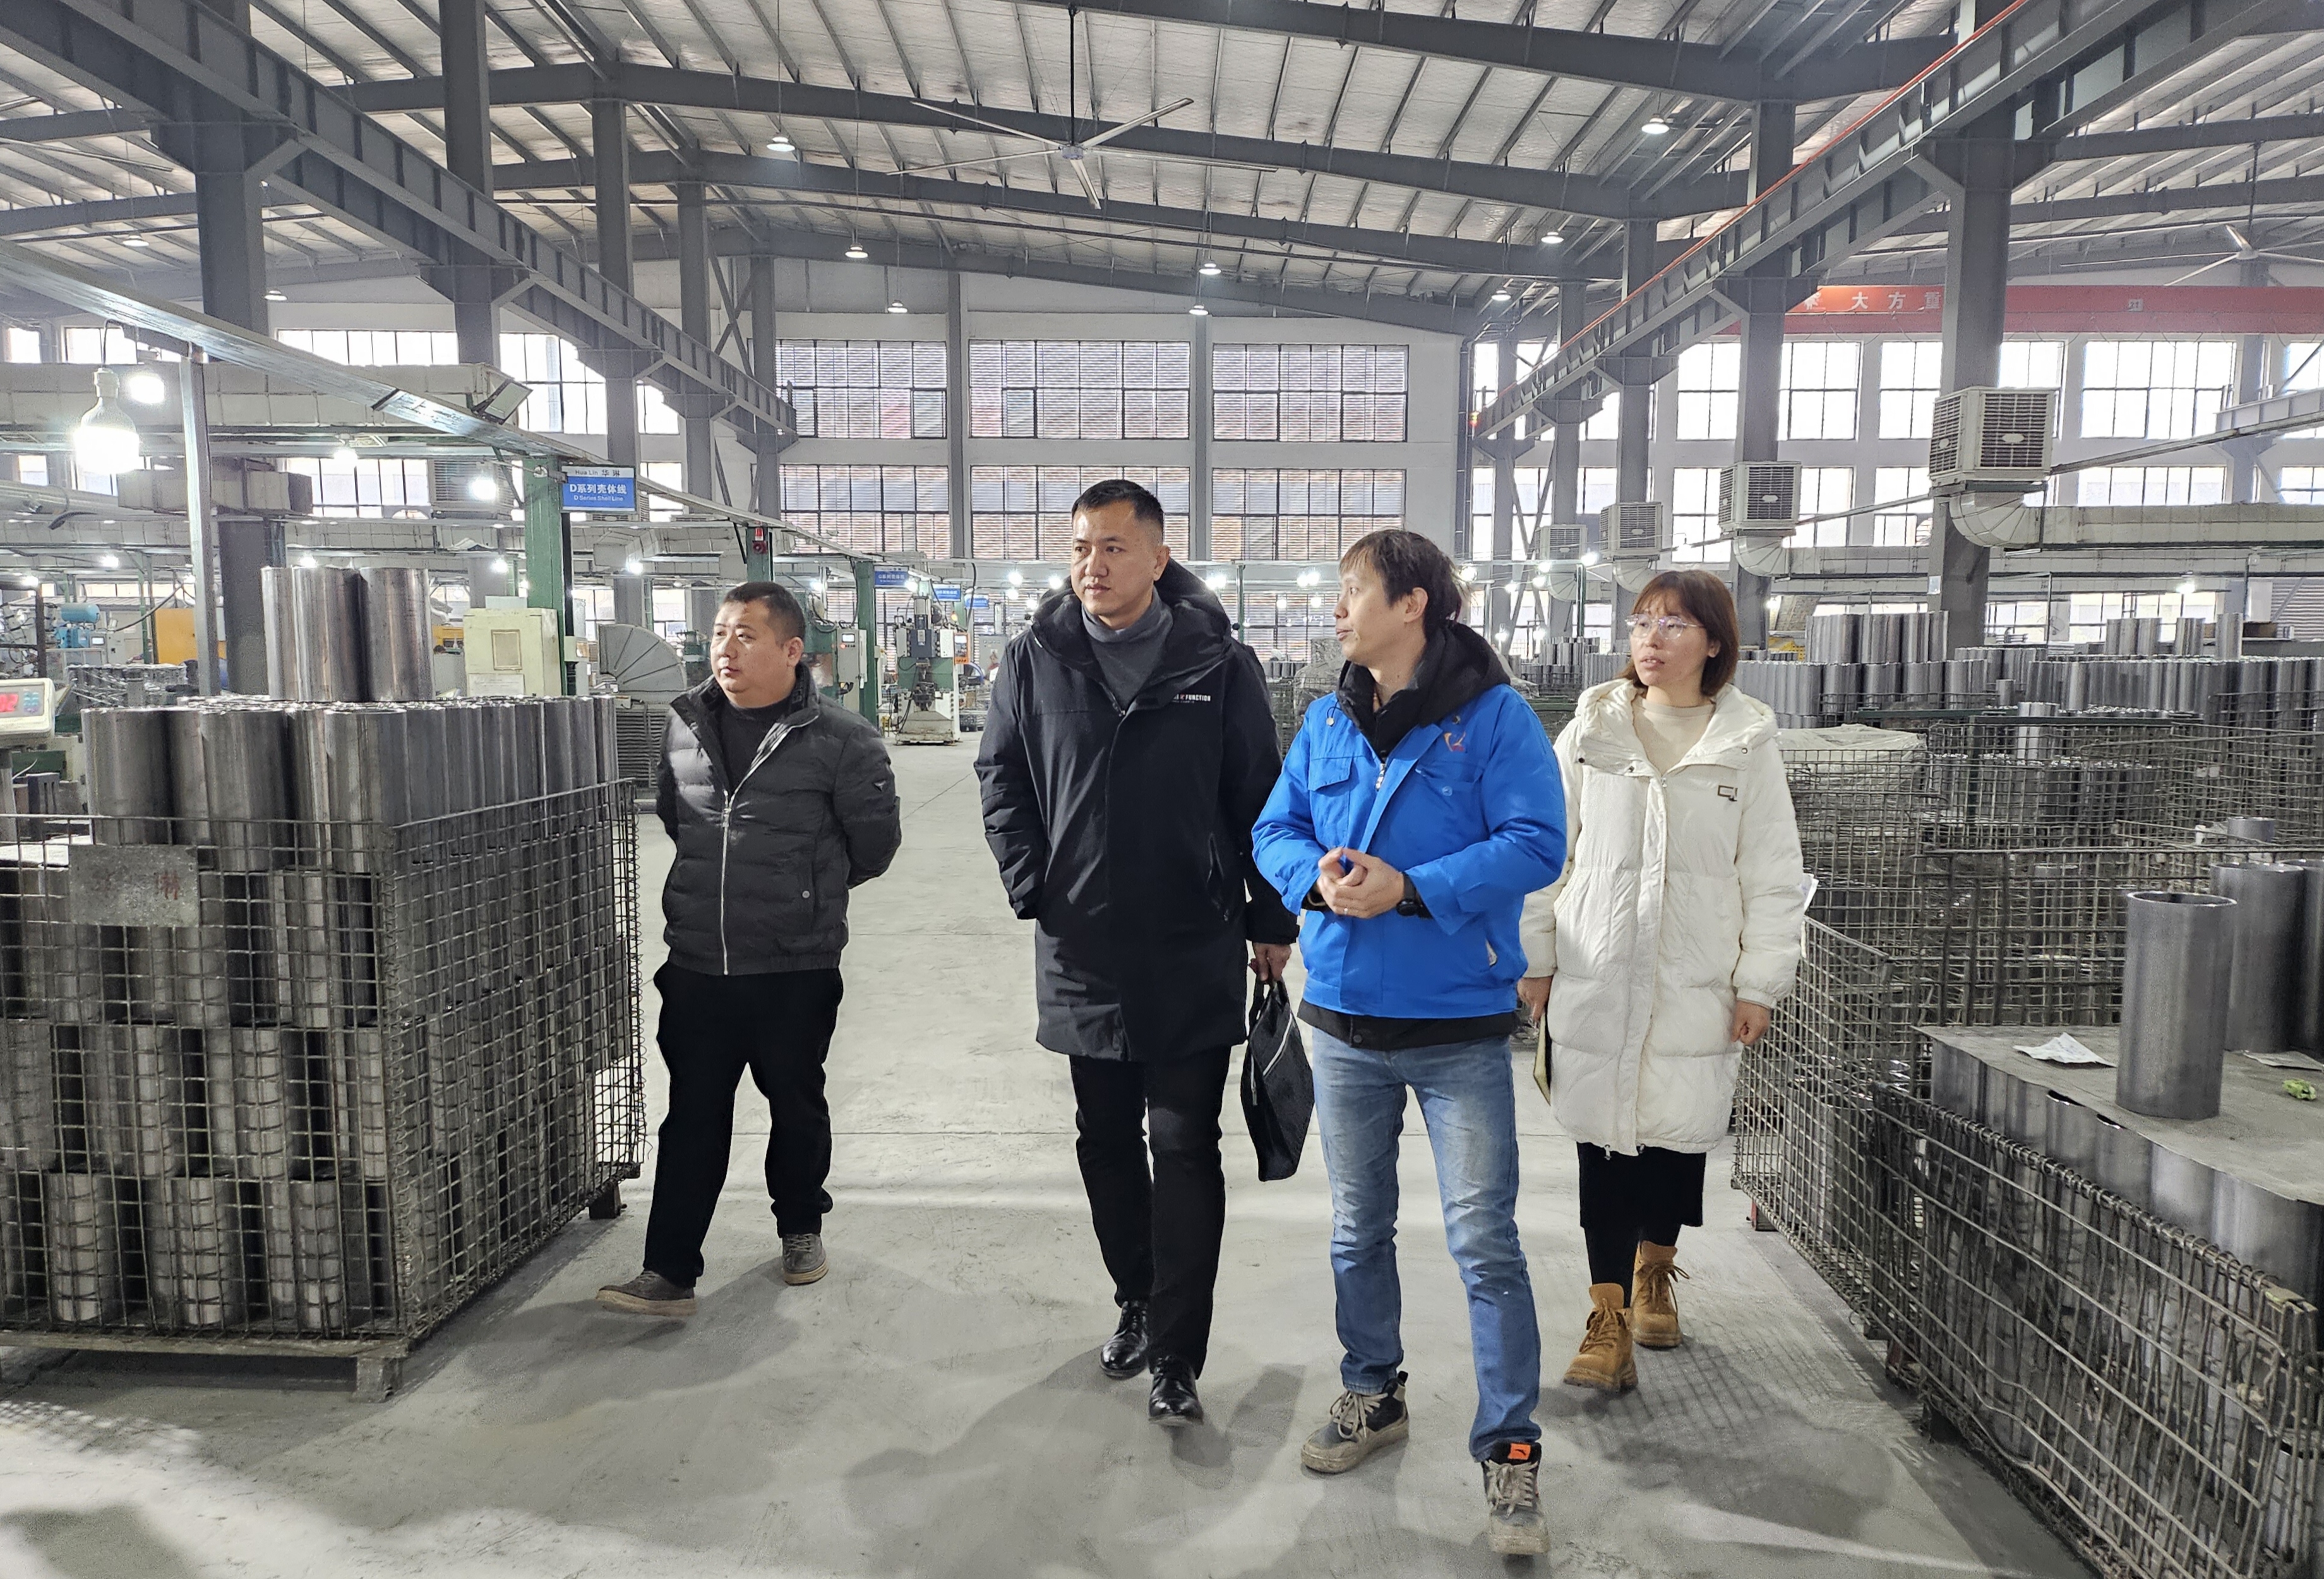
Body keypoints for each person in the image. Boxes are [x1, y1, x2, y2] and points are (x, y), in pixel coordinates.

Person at [1250, 529, 1566, 1558]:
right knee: (1356, 1230)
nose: (1338, 610)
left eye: (1353, 591)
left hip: (1457, 1026)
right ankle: (1372, 1390)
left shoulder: (1495, 718)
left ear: (1413, 604)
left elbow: (1538, 842)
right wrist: (1314, 877)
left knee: (1484, 1242)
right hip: (1344, 1019)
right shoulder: (1326, 720)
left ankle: (1510, 1450)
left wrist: (1414, 888)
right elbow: (1274, 829)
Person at [974, 478, 1297, 1429]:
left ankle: (1178, 1354)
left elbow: (1258, 793)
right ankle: (1136, 1299)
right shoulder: (1034, 658)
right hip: (1080, 943)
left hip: (1190, 937)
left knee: (1185, 1142)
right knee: (1104, 1137)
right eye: (1081, 546)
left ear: (1159, 558)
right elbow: (1000, 774)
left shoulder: (1218, 662)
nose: (1093, 564)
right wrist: (1033, 883)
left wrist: (1270, 918)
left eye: (1114, 547)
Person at [1517, 568, 1806, 1393]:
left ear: (1713, 642)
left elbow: (1773, 873)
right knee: (1603, 1145)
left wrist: (1759, 982)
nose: (1651, 638)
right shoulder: (1593, 731)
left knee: (1676, 1140)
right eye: (1642, 621)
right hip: (1599, 970)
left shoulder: (1744, 743)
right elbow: (1547, 852)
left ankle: (1655, 1270)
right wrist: (1537, 957)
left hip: (1695, 978)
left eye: (1674, 624)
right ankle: (1606, 1318)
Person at [598, 581, 902, 1318]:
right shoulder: (684, 724)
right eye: (719, 633)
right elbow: (676, 817)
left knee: (795, 1104)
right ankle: (669, 1270)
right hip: (698, 961)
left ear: (792, 650)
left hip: (793, 965)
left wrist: (802, 891)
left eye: (745, 635)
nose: (725, 649)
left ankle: (800, 1226)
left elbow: (873, 845)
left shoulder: (843, 740)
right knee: (691, 1115)